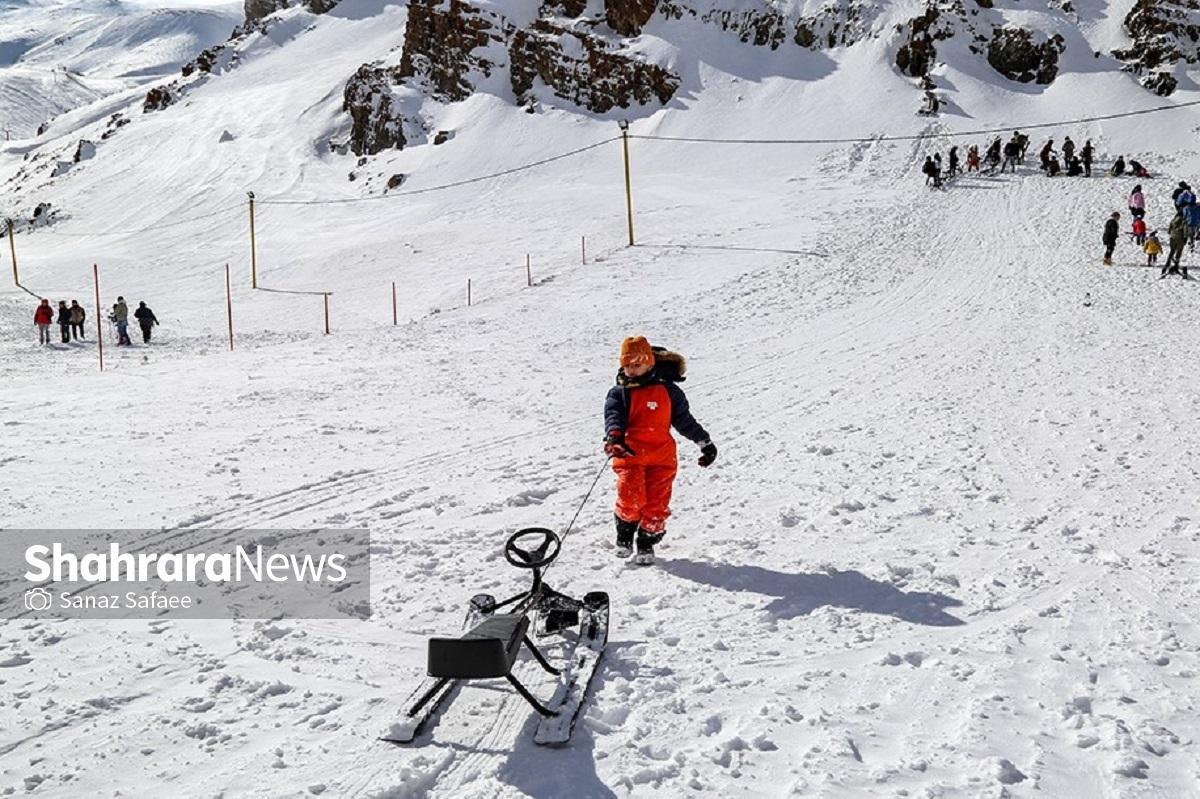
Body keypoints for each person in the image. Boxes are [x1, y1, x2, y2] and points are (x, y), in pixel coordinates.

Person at [604, 336, 716, 565]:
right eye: (627, 365)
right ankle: (624, 536)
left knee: (657, 504)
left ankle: (646, 543)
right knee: (631, 497)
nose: (631, 370)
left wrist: (704, 442)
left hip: (661, 458)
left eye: (637, 364)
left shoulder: (669, 391)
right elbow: (613, 417)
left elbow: (684, 421)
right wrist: (615, 437)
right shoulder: (620, 392)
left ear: (650, 363)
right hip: (629, 456)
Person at [1164, 211, 1188, 278]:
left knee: (1172, 250)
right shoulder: (1184, 221)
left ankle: (1168, 261)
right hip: (1180, 238)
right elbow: (1185, 230)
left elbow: (1169, 230)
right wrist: (1185, 238)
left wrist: (1171, 233)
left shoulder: (1173, 220)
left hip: (1172, 237)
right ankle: (1176, 263)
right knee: (1179, 251)